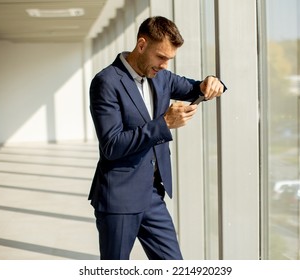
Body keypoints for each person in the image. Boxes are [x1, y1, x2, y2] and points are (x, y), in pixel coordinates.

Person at [88, 16, 226, 260]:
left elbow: (197, 88)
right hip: (119, 199)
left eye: (169, 59)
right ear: (142, 45)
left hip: (153, 195)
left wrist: (213, 82)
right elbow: (111, 145)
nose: (164, 65)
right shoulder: (106, 82)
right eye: (161, 57)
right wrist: (163, 124)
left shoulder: (161, 77)